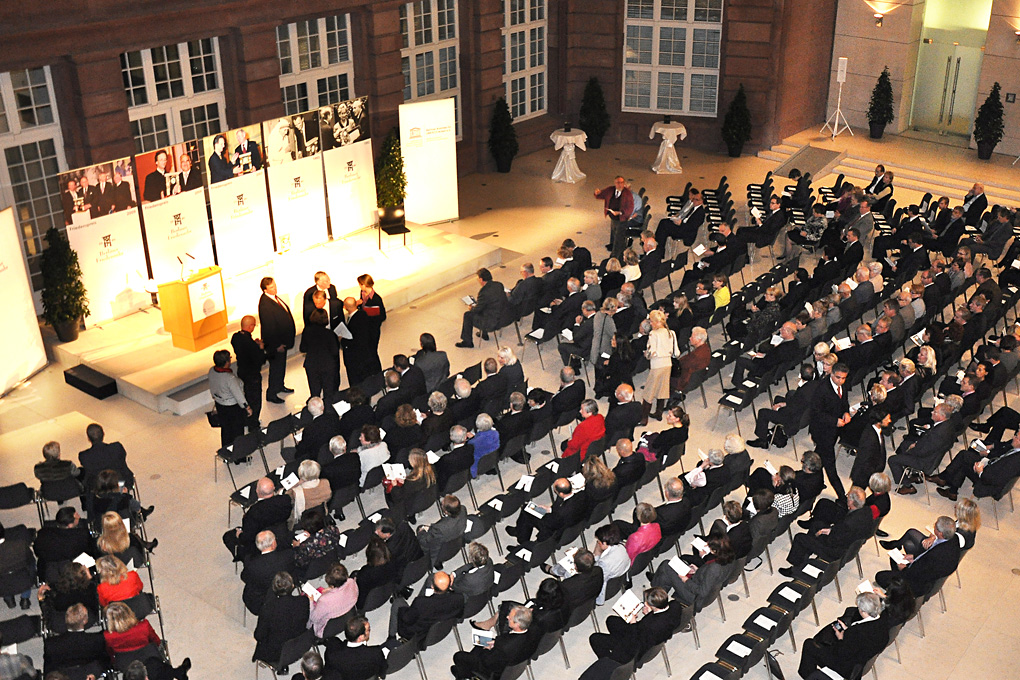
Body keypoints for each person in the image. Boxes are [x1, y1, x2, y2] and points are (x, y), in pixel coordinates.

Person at [798, 591, 889, 680]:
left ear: (862, 611)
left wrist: (841, 638)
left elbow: (842, 653)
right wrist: (847, 631)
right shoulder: (884, 624)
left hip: (846, 667)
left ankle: (807, 674)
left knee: (809, 645)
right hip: (860, 661)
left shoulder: (857, 631)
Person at [587, 586, 682, 664]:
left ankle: (610, 663)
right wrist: (650, 613)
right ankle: (616, 641)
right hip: (648, 634)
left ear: (654, 606)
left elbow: (635, 638)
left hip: (634, 647)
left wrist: (633, 623)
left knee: (595, 638)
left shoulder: (649, 625)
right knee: (611, 621)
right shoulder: (675, 605)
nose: (645, 603)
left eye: (647, 603)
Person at [928, 429, 1020, 502]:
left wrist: (980, 471)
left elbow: (996, 479)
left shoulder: (1014, 462)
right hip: (990, 465)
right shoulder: (1016, 449)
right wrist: (990, 449)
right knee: (971, 449)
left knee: (964, 457)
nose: (1013, 437)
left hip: (988, 483)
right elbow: (1004, 447)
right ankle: (950, 488)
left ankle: (945, 480)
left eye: (1016, 437)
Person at [450, 606, 540, 679]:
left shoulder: (503, 646)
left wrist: (489, 649)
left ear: (517, 624)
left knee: (459, 656)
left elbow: (486, 662)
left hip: (494, 668)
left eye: (510, 618)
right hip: (515, 655)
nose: (507, 617)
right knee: (481, 644)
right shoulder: (534, 631)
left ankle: (464, 674)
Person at [810, 362, 851, 500]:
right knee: (830, 466)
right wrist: (834, 421)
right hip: (822, 431)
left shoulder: (841, 386)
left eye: (844, 378)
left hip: (834, 430)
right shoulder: (821, 389)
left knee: (816, 458)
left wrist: (846, 412)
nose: (841, 381)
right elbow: (816, 413)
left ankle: (814, 480)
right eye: (838, 377)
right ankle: (842, 497)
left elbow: (844, 402)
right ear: (831, 374)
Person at [252, 571, 309, 667]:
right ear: (292, 586)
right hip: (298, 643)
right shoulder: (303, 601)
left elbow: (259, 635)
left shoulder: (268, 610)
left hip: (275, 652)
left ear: (274, 588)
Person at [258, 277, 296, 404]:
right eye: (271, 287)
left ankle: (280, 386)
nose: (275, 288)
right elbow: (269, 328)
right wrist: (276, 345)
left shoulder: (274, 298)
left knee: (281, 367)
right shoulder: (265, 304)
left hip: (282, 342)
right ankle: (272, 393)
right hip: (276, 345)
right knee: (276, 369)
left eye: (275, 285)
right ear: (265, 290)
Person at [457, 268, 509, 348]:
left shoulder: (483, 292)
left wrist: (471, 308)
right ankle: (484, 334)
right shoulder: (499, 284)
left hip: (491, 322)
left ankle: (467, 341)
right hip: (503, 317)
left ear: (481, 279)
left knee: (468, 315)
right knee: (487, 309)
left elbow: (477, 310)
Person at [231, 315, 266, 431]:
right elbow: (261, 360)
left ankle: (246, 419)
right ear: (250, 326)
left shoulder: (235, 338)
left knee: (246, 396)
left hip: (242, 372)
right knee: (255, 400)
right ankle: (253, 424)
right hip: (252, 375)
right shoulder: (251, 346)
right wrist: (260, 348)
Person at [323, 616, 386, 680]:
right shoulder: (375, 653)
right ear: (360, 637)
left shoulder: (332, 654)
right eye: (368, 629)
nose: (370, 630)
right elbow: (383, 669)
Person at [307, 562, 359, 638]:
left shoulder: (324, 600)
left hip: (324, 628)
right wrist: (329, 591)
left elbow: (314, 618)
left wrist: (311, 601)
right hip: (347, 613)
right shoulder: (352, 582)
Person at [340, 297, 381, 389]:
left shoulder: (355, 321)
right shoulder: (363, 314)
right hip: (366, 353)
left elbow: (355, 340)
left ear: (345, 307)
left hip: (356, 357)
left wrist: (342, 340)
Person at [417, 495, 468, 567]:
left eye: (442, 504)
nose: (441, 501)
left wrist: (422, 531)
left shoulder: (439, 529)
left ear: (446, 511)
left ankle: (436, 563)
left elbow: (426, 542)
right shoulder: (463, 509)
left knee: (419, 529)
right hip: (457, 544)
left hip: (442, 553)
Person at [300, 308, 340, 399]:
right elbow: (334, 351)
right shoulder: (329, 334)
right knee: (328, 392)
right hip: (327, 365)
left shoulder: (307, 331)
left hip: (312, 365)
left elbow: (302, 348)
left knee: (314, 393)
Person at [595, 176, 635, 262]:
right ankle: (619, 252)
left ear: (624, 183)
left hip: (621, 219)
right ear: (615, 183)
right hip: (613, 218)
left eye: (621, 182)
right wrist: (597, 193)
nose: (620, 185)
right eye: (618, 182)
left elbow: (630, 207)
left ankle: (614, 257)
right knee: (614, 234)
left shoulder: (627, 194)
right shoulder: (610, 190)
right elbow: (601, 195)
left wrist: (620, 212)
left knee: (618, 237)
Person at [287, 460, 332, 525]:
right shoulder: (325, 482)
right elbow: (328, 497)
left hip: (305, 518)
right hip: (321, 512)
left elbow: (283, 495)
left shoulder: (295, 492)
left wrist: (297, 484)